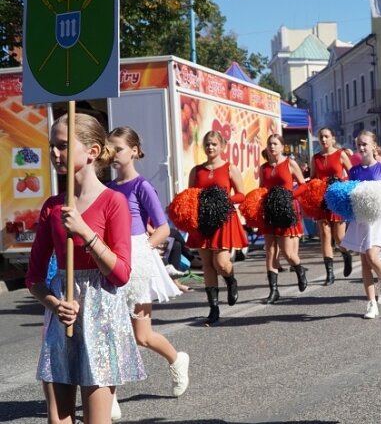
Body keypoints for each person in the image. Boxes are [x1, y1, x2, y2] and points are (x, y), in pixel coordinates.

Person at [26, 113, 146, 423]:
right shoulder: (52, 206)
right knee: (58, 420)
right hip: (62, 313)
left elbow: (120, 274)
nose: (55, 153)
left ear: (92, 152)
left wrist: (85, 232)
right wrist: (54, 304)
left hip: (102, 316)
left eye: (64, 146)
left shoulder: (113, 202)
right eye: (52, 145)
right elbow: (34, 277)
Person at [106, 126, 189, 416]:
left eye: (117, 148)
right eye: (109, 148)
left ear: (134, 151)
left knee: (141, 336)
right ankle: (109, 399)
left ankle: (177, 360)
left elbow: (164, 228)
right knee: (112, 333)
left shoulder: (142, 186)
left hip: (137, 261)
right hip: (112, 260)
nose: (112, 154)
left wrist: (141, 251)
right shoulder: (108, 188)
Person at [186, 130, 248, 325]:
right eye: (207, 144)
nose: (210, 147)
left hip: (223, 220)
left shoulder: (230, 168)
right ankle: (213, 308)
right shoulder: (197, 170)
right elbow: (190, 196)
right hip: (203, 221)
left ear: (222, 147)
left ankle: (230, 280)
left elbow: (241, 195)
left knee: (221, 263)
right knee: (207, 265)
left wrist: (221, 201)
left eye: (214, 144)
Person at [341, 131, 381, 319]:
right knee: (364, 263)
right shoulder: (354, 171)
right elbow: (350, 195)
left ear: (374, 146)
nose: (361, 147)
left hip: (379, 218)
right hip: (361, 219)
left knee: (371, 254)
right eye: (359, 144)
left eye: (365, 144)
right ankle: (371, 304)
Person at [259, 133, 309, 304]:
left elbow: (303, 185)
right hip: (270, 212)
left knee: (288, 253)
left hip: (286, 210)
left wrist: (289, 196)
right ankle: (273, 291)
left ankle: (299, 269)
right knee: (270, 251)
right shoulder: (264, 168)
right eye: (269, 144)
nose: (272, 147)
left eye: (275, 144)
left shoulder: (289, 163)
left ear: (282, 146)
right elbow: (261, 189)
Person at [311, 127, 353, 285]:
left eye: (327, 136)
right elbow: (313, 178)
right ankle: (329, 274)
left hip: (337, 199)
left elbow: (352, 174)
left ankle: (346, 254)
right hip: (322, 201)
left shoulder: (340, 154)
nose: (324, 139)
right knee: (325, 237)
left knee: (340, 237)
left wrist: (345, 189)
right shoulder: (315, 158)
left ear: (333, 138)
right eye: (321, 137)